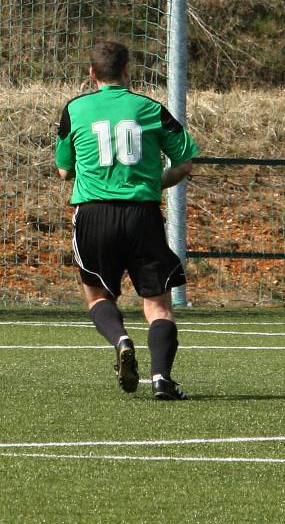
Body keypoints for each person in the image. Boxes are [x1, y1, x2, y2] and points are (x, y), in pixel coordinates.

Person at [55, 40, 200, 400]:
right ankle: (162, 379)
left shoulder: (75, 109)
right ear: (127, 70)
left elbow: (63, 170)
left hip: (93, 213)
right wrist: (155, 180)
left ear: (92, 74)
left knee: (97, 295)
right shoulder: (151, 108)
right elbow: (184, 163)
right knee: (158, 304)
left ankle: (120, 340)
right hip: (142, 214)